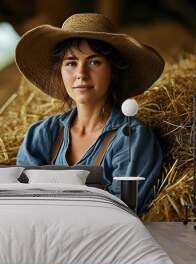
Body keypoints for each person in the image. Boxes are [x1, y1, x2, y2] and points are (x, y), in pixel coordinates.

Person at [15, 13, 164, 214]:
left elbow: (122, 213)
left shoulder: (131, 139)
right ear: (60, 71)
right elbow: (23, 204)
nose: (81, 74)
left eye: (94, 62)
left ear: (114, 70)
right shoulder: (41, 134)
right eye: (71, 63)